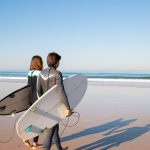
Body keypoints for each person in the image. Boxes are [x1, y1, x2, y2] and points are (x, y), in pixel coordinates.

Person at [37, 52, 73, 150]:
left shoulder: (41, 73)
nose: (59, 63)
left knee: (55, 128)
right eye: (59, 61)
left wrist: (43, 103)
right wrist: (68, 108)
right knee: (50, 132)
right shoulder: (57, 73)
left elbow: (38, 91)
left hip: (45, 106)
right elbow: (61, 91)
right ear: (56, 62)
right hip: (55, 106)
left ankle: (59, 149)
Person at [23, 55, 43, 149]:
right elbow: (39, 89)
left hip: (29, 99)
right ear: (40, 63)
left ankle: (27, 139)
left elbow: (28, 87)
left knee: (31, 121)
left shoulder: (29, 73)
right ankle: (33, 144)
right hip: (36, 100)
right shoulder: (40, 73)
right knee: (37, 123)